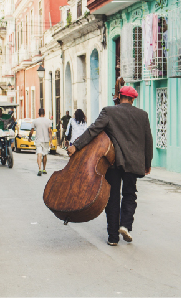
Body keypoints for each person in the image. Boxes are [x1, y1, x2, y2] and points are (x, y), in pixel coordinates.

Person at [67, 86, 153, 246]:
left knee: (112, 198)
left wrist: (76, 146)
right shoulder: (142, 115)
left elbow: (92, 130)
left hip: (114, 162)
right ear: (133, 99)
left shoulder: (109, 111)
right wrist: (147, 163)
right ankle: (125, 225)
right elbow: (148, 140)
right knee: (130, 194)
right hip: (134, 163)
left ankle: (113, 238)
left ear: (120, 96)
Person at [30, 108, 53, 176]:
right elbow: (50, 131)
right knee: (45, 154)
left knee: (39, 154)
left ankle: (39, 168)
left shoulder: (35, 121)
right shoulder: (48, 121)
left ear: (38, 113)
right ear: (44, 113)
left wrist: (29, 137)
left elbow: (32, 130)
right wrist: (51, 141)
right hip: (46, 140)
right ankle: (44, 169)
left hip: (38, 140)